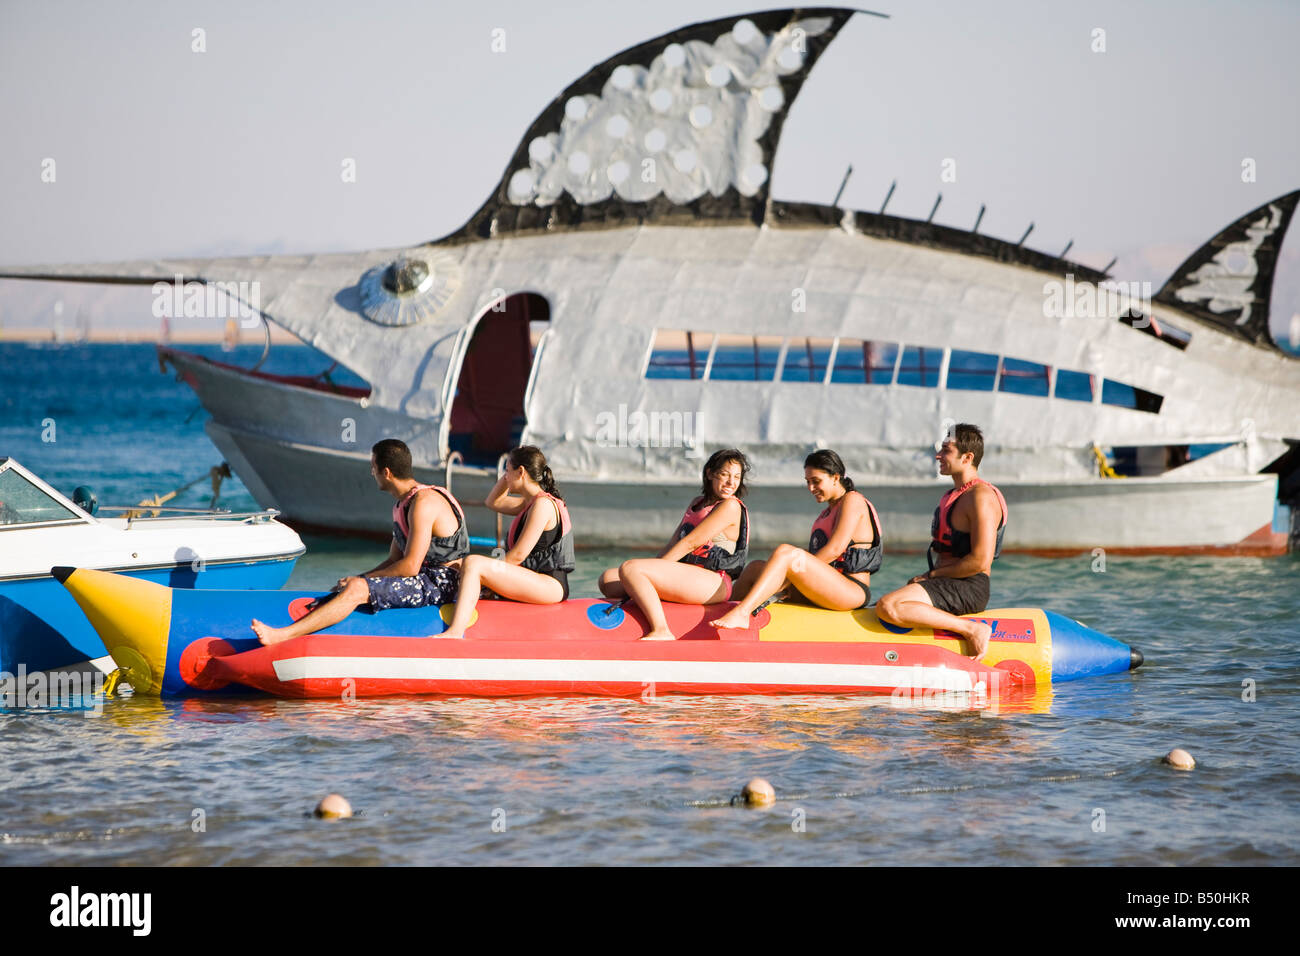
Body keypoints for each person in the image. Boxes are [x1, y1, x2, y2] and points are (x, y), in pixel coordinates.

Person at [252, 438, 468, 645]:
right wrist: (358, 577)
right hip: (424, 579)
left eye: (373, 468)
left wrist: (361, 583)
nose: (372, 473)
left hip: (443, 584)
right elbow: (394, 559)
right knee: (351, 585)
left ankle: (283, 636)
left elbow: (410, 566)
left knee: (356, 589)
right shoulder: (403, 505)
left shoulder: (424, 502)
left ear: (387, 473)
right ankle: (315, 616)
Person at [875, 423, 1007, 661]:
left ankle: (973, 629)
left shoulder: (981, 497)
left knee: (889, 606)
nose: (938, 456)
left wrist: (930, 577)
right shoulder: (955, 495)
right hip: (947, 584)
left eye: (946, 450)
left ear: (967, 457)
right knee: (885, 604)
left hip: (969, 587)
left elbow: (980, 560)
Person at [711, 449, 882, 630]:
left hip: (851, 591)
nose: (811, 488)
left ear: (835, 477)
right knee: (755, 569)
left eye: (816, 481)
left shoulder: (852, 499)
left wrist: (788, 579)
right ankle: (718, 614)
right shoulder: (826, 513)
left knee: (787, 553)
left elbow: (835, 549)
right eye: (808, 482)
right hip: (823, 588)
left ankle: (742, 614)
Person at [598, 449, 751, 641]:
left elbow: (691, 543)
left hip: (714, 583)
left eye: (737, 477)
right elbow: (674, 543)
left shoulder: (731, 506)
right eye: (725, 475)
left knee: (631, 569)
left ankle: (661, 630)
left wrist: (648, 571)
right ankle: (652, 600)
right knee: (609, 579)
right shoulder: (697, 503)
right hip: (687, 575)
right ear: (710, 473)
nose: (731, 483)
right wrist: (650, 572)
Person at [435, 445, 574, 639]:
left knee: (474, 563)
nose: (504, 476)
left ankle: (456, 631)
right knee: (459, 564)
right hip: (533, 579)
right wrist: (510, 477)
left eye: (506, 470)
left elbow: (517, 556)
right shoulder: (529, 503)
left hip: (550, 585)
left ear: (521, 472)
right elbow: (493, 502)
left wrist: (489, 580)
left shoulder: (543, 505)